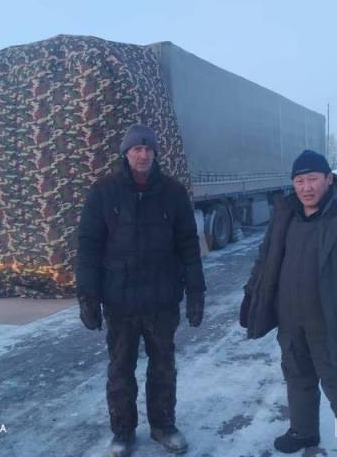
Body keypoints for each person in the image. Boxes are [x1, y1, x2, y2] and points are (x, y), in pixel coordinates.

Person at [240, 149, 337, 457]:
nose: (306, 187)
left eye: (312, 179)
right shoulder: (285, 216)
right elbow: (265, 260)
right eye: (299, 180)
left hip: (335, 324)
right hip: (292, 322)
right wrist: (250, 295)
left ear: (328, 179)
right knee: (298, 379)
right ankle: (303, 431)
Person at [76, 123, 206, 457]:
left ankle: (163, 426)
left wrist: (196, 292)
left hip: (162, 300)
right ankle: (123, 431)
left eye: (149, 149)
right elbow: (88, 246)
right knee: (120, 369)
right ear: (126, 152)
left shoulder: (173, 193)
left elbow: (189, 245)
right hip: (119, 302)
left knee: (163, 366)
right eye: (137, 148)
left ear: (155, 153)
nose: (143, 154)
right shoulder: (103, 192)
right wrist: (87, 296)